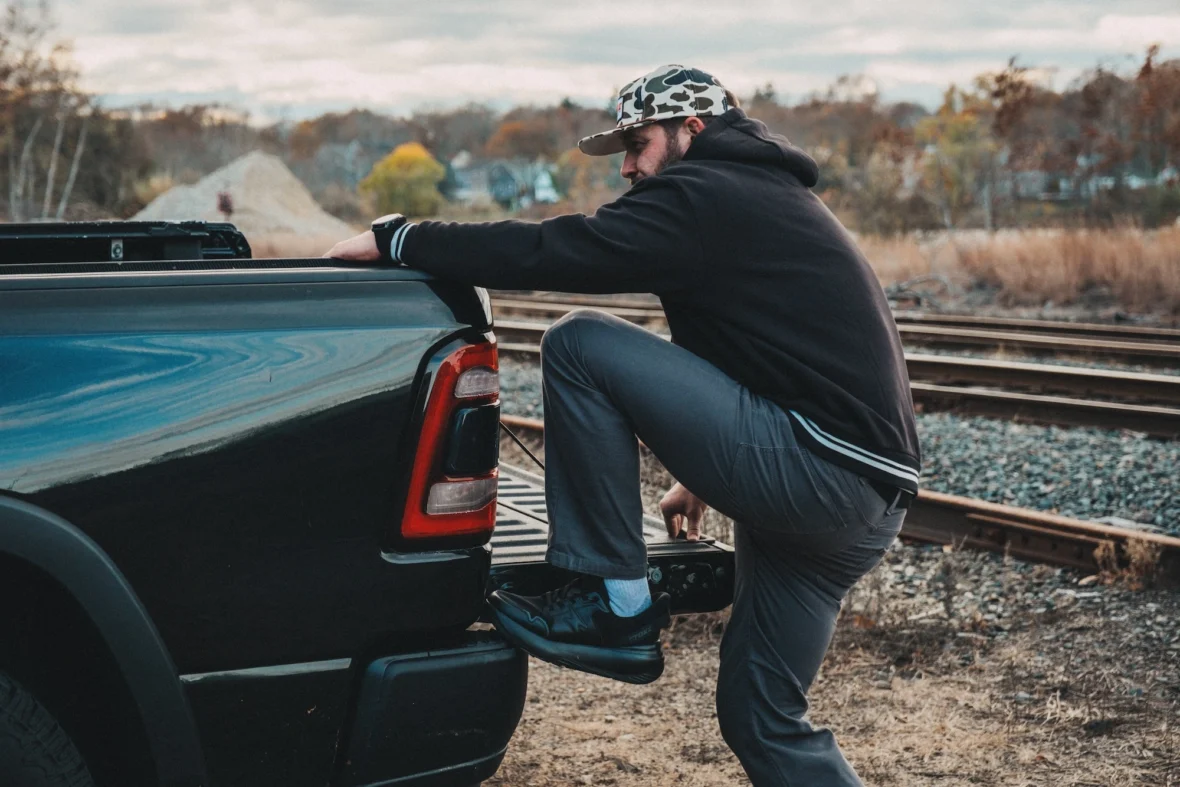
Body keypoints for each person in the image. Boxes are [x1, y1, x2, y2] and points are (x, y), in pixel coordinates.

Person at [325, 64, 920, 787]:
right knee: (760, 715)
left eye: (638, 145)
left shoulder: (708, 193)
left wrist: (403, 239)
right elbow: (764, 346)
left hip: (815, 469)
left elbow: (552, 249)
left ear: (691, 128)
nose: (629, 167)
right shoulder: (763, 196)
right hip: (862, 501)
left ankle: (617, 605)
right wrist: (698, 477)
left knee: (579, 343)